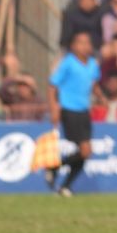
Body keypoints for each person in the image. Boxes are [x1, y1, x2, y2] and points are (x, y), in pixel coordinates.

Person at [47, 29, 100, 195]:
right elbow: (52, 86)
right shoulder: (68, 63)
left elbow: (93, 84)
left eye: (87, 43)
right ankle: (55, 169)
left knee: (86, 152)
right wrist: (54, 108)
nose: (84, 46)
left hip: (84, 110)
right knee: (85, 150)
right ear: (73, 46)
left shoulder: (93, 64)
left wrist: (102, 98)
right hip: (69, 109)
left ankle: (64, 185)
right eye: (80, 43)